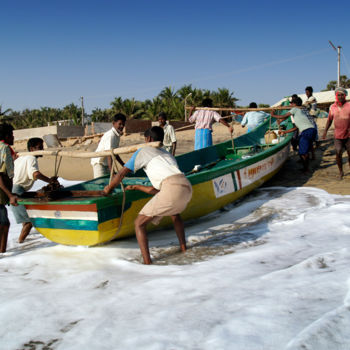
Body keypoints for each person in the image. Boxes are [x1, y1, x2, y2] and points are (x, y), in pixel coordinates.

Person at [103, 126, 192, 265]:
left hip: (171, 188)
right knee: (174, 213)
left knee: (139, 224)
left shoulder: (142, 151)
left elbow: (121, 174)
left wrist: (108, 189)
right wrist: (137, 187)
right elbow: (161, 191)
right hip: (186, 186)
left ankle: (147, 263)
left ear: (148, 139)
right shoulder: (166, 154)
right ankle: (184, 249)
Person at [12, 138, 60, 243]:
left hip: (12, 189)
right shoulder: (31, 158)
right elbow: (35, 174)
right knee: (29, 221)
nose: (42, 149)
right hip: (17, 190)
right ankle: (20, 243)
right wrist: (49, 181)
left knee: (25, 221)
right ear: (32, 149)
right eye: (40, 147)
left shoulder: (21, 157)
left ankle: (21, 243)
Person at [271, 97, 316, 172]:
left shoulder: (295, 109)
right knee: (305, 151)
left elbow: (283, 116)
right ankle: (306, 167)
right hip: (311, 130)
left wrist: (273, 115)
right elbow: (295, 127)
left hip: (306, 131)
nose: (290, 104)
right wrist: (285, 132)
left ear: (294, 104)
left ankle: (306, 169)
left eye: (291, 103)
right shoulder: (299, 112)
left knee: (302, 152)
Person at [322, 87, 350, 179]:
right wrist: (325, 131)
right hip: (338, 135)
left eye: (342, 95)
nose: (340, 96)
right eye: (339, 95)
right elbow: (329, 120)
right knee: (338, 152)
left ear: (345, 96)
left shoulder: (349, 105)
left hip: (349, 134)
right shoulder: (332, 107)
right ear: (336, 96)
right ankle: (341, 172)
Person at [0, 123, 18, 253]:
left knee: (4, 223)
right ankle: (2, 254)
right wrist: (10, 195)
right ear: (6, 136)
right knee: (4, 224)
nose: (13, 138)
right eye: (11, 135)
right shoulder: (4, 148)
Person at [91, 113, 126, 178]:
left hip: (106, 164)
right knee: (101, 184)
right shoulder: (111, 135)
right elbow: (109, 154)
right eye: (120, 124)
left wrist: (123, 165)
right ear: (113, 123)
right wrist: (112, 172)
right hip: (99, 163)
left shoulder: (117, 135)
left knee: (109, 184)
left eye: (123, 124)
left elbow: (114, 153)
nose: (122, 126)